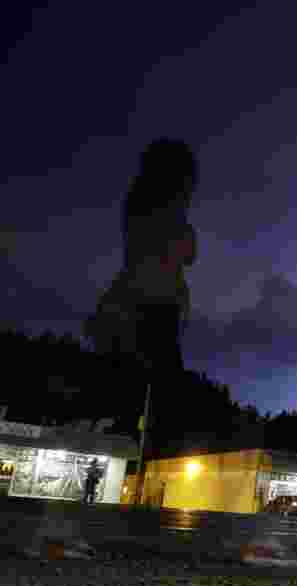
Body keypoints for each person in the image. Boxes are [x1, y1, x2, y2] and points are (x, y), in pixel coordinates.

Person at [86, 139, 198, 439]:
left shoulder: (140, 203)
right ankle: (141, 429)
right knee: (160, 375)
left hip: (142, 297)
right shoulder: (166, 210)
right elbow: (188, 252)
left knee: (144, 374)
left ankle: (131, 425)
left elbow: (183, 252)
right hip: (154, 300)